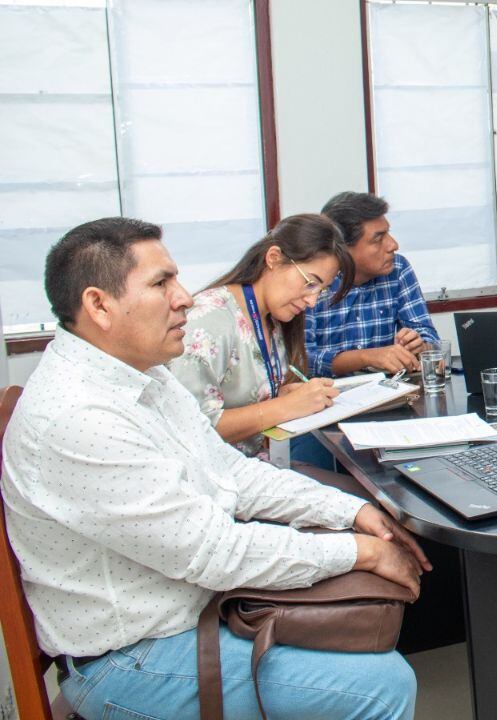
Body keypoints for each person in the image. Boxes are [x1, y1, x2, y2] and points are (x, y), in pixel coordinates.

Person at [2, 217, 429, 718]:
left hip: (193, 606)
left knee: (368, 631)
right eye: (161, 283)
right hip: (132, 656)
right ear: (99, 305)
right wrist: (359, 552)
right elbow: (212, 551)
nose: (184, 297)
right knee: (382, 685)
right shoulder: (79, 416)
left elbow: (229, 469)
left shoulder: (144, 376)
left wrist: (350, 512)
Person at [168, 214, 353, 458]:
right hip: (211, 477)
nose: (312, 301)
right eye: (310, 283)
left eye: (322, 290)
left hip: (251, 468)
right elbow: (190, 425)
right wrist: (282, 407)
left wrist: (283, 397)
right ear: (274, 259)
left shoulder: (273, 320)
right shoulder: (209, 318)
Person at [306, 192, 440, 377]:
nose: (393, 245)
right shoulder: (313, 282)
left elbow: (430, 339)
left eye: (388, 234)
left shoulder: (398, 268)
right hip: (329, 397)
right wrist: (366, 357)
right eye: (378, 239)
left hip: (386, 393)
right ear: (342, 247)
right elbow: (304, 360)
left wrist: (420, 345)